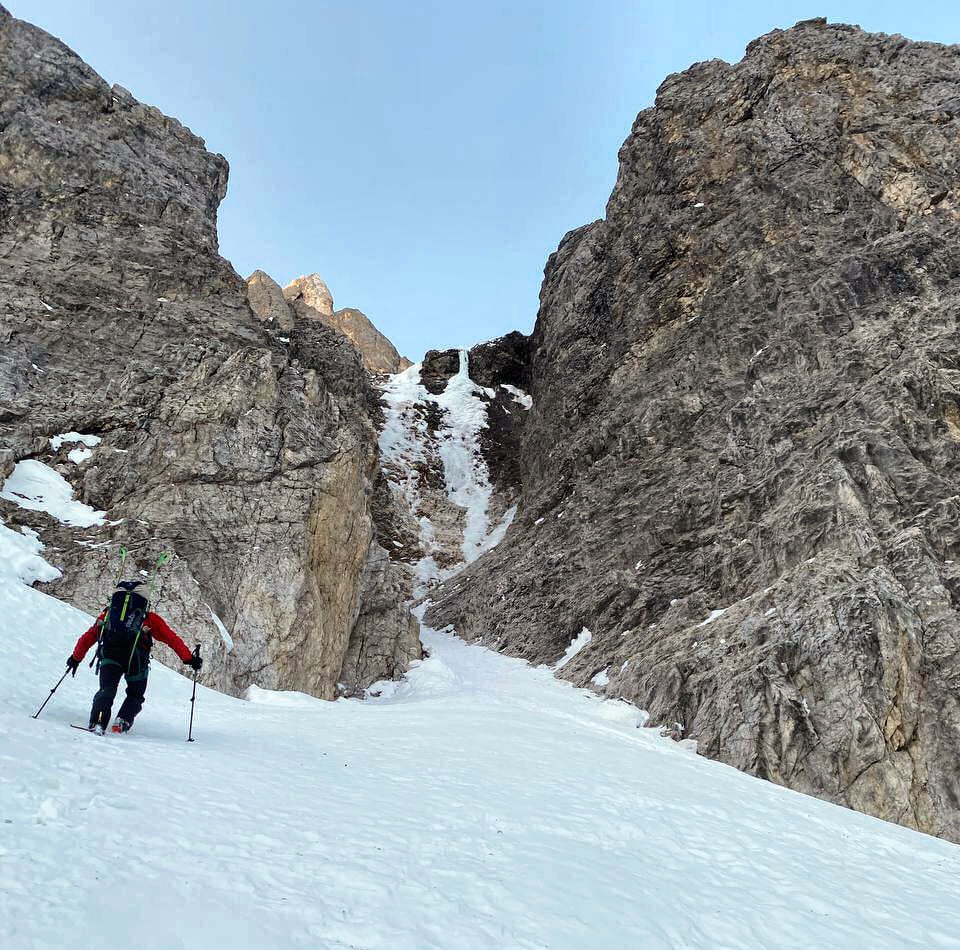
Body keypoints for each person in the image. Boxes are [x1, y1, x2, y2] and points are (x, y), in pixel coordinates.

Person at [66, 580, 202, 734]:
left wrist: (76, 658)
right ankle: (122, 721)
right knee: (135, 695)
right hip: (136, 661)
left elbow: (88, 637)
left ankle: (98, 721)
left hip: (110, 656)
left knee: (107, 690)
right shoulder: (149, 618)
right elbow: (171, 638)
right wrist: (188, 659)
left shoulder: (109, 614)